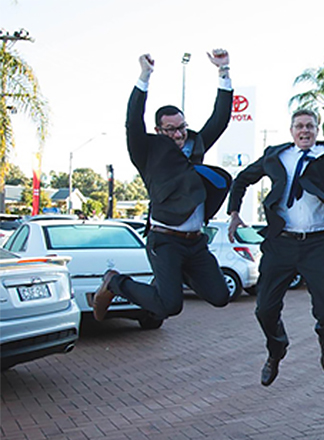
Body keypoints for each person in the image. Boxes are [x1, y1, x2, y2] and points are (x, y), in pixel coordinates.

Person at [226, 109, 324, 387]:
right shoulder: (275, 155)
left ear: (317, 130)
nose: (304, 130)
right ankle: (276, 349)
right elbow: (242, 179)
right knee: (265, 309)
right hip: (280, 243)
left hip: (317, 244)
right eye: (299, 126)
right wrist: (234, 213)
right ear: (291, 131)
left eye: (310, 126)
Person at [92, 50, 234, 323]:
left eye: (182, 127)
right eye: (171, 129)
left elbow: (220, 119)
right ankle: (115, 282)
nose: (179, 134)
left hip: (195, 242)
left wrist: (223, 71)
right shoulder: (146, 152)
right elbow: (133, 121)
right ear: (158, 130)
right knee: (169, 305)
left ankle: (171, 276)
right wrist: (144, 76)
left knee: (220, 296)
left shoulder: (195, 145)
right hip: (166, 240)